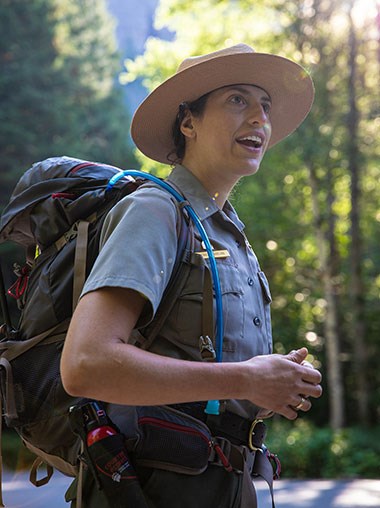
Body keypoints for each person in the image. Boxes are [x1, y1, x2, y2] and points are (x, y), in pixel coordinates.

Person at [61, 43, 322, 507]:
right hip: (150, 491)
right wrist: (244, 379)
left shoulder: (229, 235)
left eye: (265, 105)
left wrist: (270, 385)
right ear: (189, 123)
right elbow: (85, 365)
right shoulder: (155, 211)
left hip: (226, 485)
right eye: (238, 100)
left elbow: (212, 384)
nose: (260, 118)